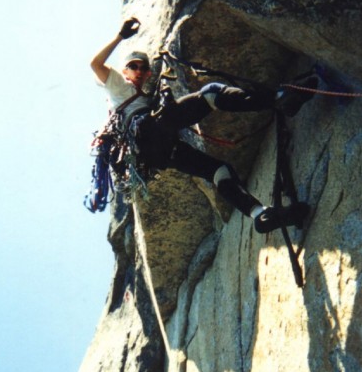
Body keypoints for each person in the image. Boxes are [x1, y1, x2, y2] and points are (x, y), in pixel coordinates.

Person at [90, 18, 316, 233]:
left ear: (149, 73)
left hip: (163, 152)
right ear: (125, 70)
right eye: (133, 66)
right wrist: (120, 36)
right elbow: (95, 64)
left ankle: (259, 214)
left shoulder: (145, 97)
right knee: (211, 93)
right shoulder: (118, 85)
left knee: (218, 171)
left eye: (143, 68)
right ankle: (278, 98)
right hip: (150, 129)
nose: (138, 71)